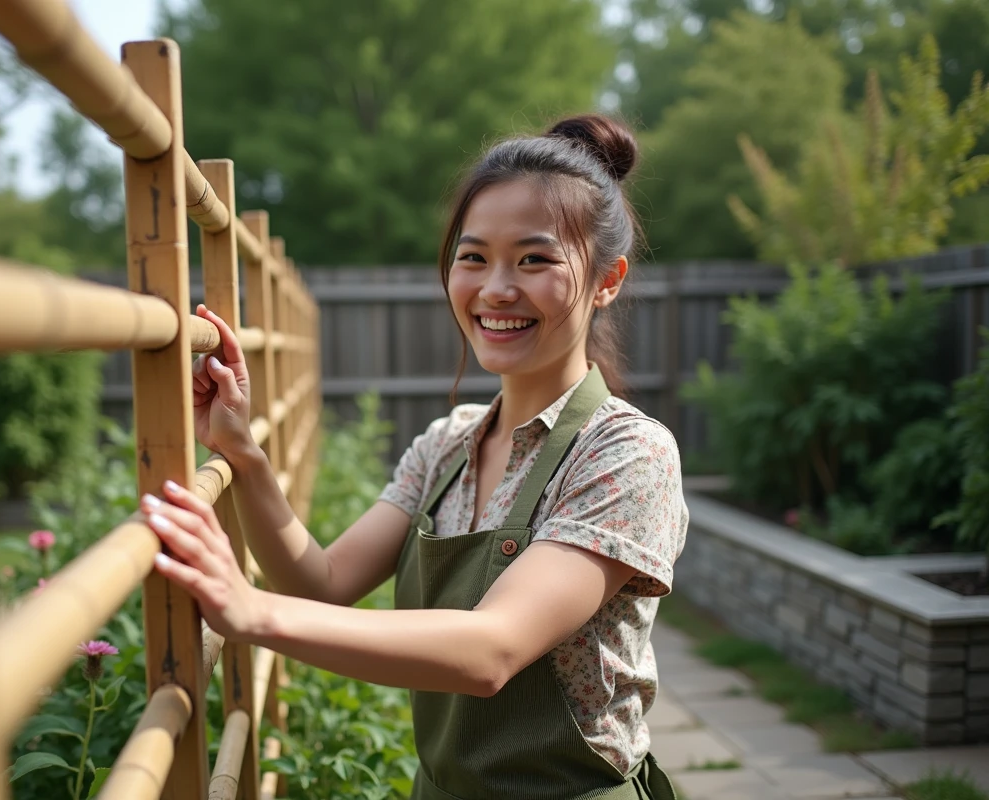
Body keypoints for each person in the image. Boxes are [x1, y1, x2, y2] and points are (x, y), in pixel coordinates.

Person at [141, 113, 688, 799]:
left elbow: (492, 649)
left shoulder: (625, 454)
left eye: (535, 258)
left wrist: (246, 610)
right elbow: (324, 581)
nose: (494, 288)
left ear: (607, 280)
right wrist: (242, 452)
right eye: (473, 255)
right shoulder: (449, 443)